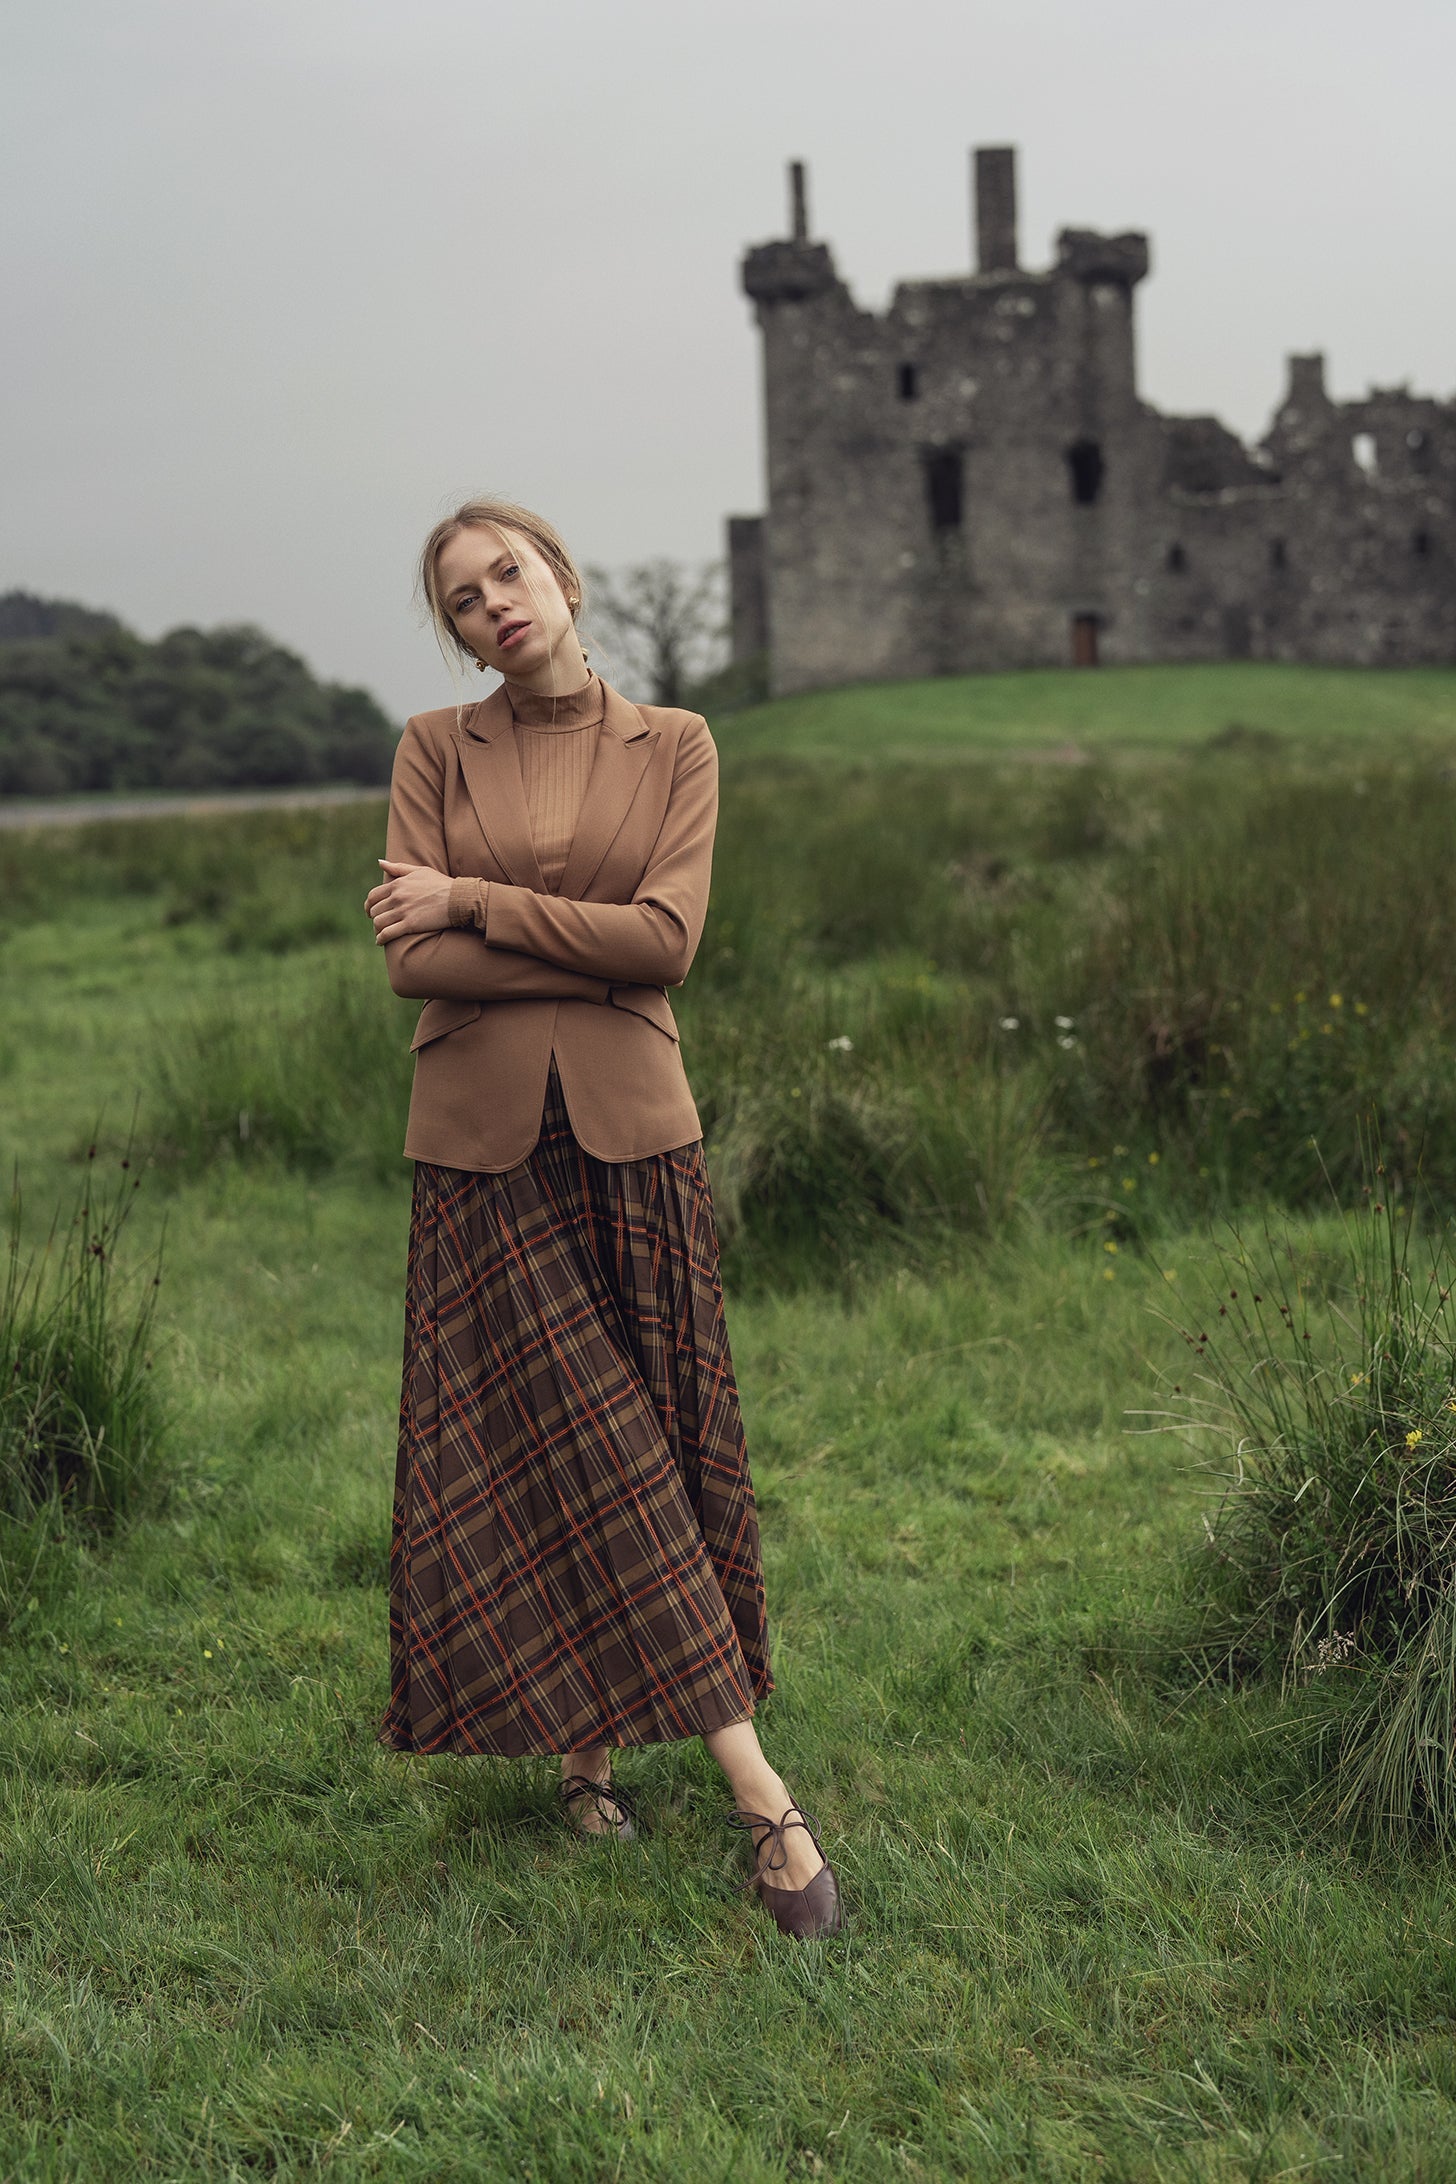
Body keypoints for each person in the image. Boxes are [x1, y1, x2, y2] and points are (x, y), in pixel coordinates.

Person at [364, 498, 842, 1940]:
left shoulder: (678, 744)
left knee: (654, 1434)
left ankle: (589, 1764)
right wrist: (589, 955)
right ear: (458, 635)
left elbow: (669, 941)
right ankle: (765, 1801)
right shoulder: (434, 749)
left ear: (562, 578)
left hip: (637, 1132)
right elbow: (411, 964)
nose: (493, 605)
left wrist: (475, 902)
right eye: (463, 600)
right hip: (481, 1145)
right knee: (576, 1435)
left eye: (508, 573)